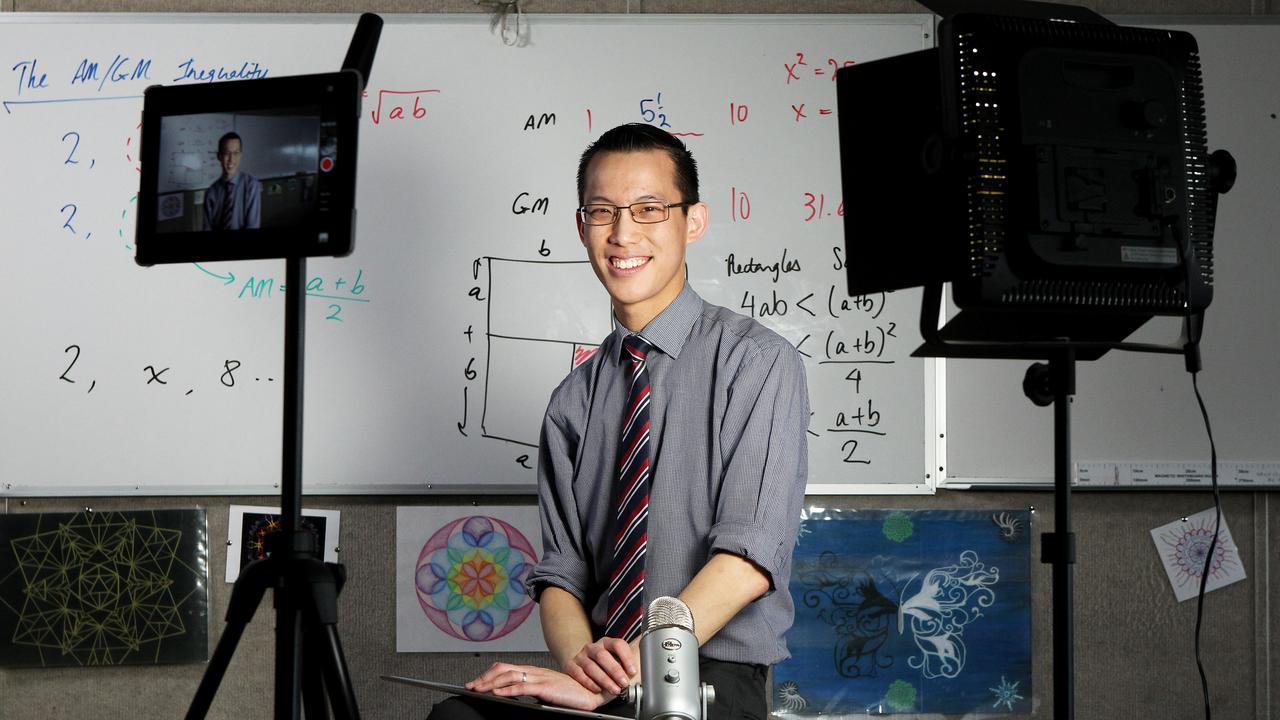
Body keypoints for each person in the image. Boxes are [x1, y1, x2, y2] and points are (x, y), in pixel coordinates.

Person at [428, 123, 809, 720]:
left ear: (694, 221)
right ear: (582, 228)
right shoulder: (572, 400)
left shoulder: (756, 361)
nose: (623, 233)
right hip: (606, 667)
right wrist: (588, 672)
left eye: (650, 209)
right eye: (603, 212)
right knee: (458, 717)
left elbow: (747, 563)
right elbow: (562, 574)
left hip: (709, 674)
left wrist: (631, 673)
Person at [202, 131, 261, 230]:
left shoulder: (252, 185)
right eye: (226, 153)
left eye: (236, 153)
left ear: (240, 155)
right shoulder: (211, 192)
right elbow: (207, 227)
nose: (231, 159)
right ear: (219, 156)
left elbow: (253, 225)